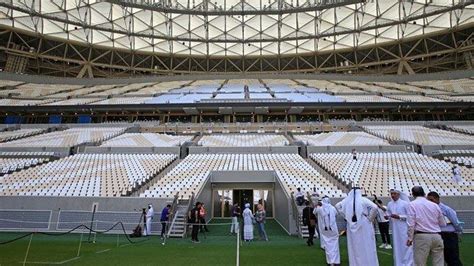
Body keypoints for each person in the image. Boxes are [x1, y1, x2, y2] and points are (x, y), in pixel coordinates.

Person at [335, 187, 379, 266]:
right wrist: (370, 218)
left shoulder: (347, 201)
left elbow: (337, 206)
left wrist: (346, 216)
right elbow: (375, 207)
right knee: (366, 244)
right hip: (364, 224)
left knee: (354, 247)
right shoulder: (363, 200)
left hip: (351, 224)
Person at [407, 186, 446, 266]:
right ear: (424, 193)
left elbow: (411, 224)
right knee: (439, 263)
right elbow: (443, 223)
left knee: (420, 262)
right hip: (436, 235)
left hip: (421, 236)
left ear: (413, 194)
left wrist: (410, 238)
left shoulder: (412, 205)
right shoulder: (434, 205)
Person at [427, 191, 463, 266]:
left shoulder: (446, 209)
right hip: (437, 235)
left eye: (432, 200)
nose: (430, 202)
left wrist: (459, 232)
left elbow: (456, 222)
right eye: (428, 200)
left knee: (453, 258)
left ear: (438, 199)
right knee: (441, 258)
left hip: (448, 236)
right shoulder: (429, 210)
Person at [386, 189, 413, 266]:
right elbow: (388, 213)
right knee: (397, 247)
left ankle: (408, 263)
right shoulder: (389, 204)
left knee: (405, 246)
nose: (393, 195)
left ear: (398, 194)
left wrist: (399, 217)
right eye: (392, 194)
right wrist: (387, 216)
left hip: (404, 228)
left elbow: (410, 216)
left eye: (394, 194)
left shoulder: (405, 203)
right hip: (395, 229)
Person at [314, 197, 340, 266]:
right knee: (335, 245)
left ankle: (330, 262)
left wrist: (317, 205)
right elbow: (336, 214)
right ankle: (336, 261)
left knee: (328, 245)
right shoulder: (333, 208)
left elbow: (314, 212)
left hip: (325, 230)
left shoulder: (320, 208)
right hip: (333, 229)